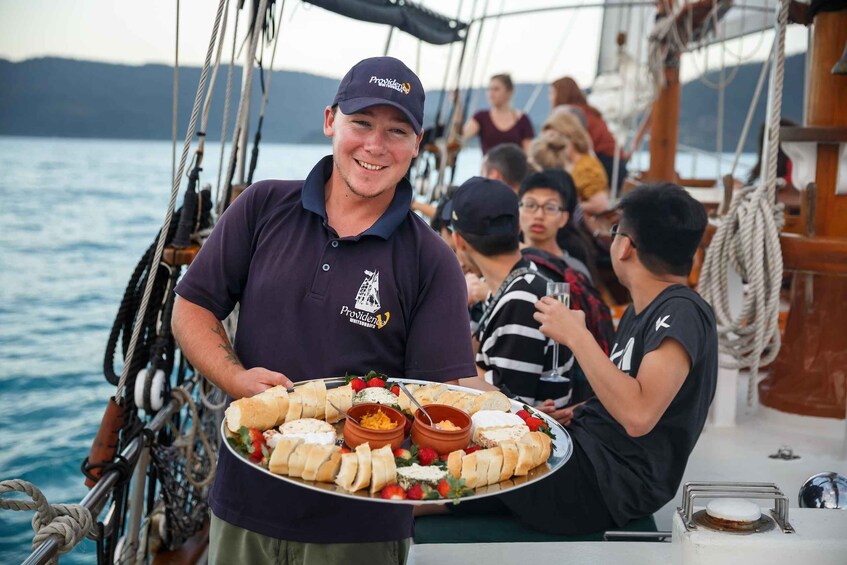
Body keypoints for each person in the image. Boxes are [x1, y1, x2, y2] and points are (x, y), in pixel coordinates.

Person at [171, 56, 477, 565]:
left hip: (359, 528)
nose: (376, 146)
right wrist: (236, 379)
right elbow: (192, 306)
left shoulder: (433, 261)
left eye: (397, 131)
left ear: (417, 145)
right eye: (362, 123)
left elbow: (430, 403)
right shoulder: (262, 206)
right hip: (244, 502)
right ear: (331, 120)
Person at [448, 182, 717, 536]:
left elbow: (638, 416)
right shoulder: (645, 310)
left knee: (453, 452)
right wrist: (571, 413)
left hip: (601, 484)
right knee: (451, 470)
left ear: (624, 247)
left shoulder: (680, 313)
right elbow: (626, 393)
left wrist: (576, 334)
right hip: (587, 453)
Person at [448, 176, 574, 408]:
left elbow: (511, 407)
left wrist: (457, 367)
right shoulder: (523, 277)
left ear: (459, 241)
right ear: (517, 228)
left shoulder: (523, 299)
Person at [550, 76, 628, 191]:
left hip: (605, 162)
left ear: (561, 94)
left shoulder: (570, 114)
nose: (550, 98)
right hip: (616, 164)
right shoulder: (587, 110)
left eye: (552, 93)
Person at [518, 169, 596, 282]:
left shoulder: (573, 271)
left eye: (550, 208)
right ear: (518, 210)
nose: (539, 215)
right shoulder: (504, 261)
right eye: (530, 205)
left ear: (564, 218)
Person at [538, 111, 611, 217]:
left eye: (554, 138)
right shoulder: (567, 165)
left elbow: (601, 204)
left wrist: (566, 207)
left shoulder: (587, 166)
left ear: (570, 137)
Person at [463, 74, 535, 155]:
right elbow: (461, 136)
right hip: (489, 166)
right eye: (489, 90)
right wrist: (458, 107)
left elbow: (529, 153)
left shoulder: (522, 120)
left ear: (509, 92)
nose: (491, 94)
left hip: (515, 167)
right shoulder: (481, 117)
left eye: (496, 89)